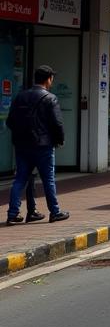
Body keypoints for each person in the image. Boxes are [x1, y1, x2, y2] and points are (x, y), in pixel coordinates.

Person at [5, 65, 70, 224]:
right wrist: (59, 139)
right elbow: (57, 123)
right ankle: (54, 212)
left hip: (22, 146)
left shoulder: (20, 96)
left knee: (21, 178)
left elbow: (10, 121)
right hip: (43, 146)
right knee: (48, 179)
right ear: (48, 79)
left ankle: (13, 214)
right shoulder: (50, 98)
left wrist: (21, 136)